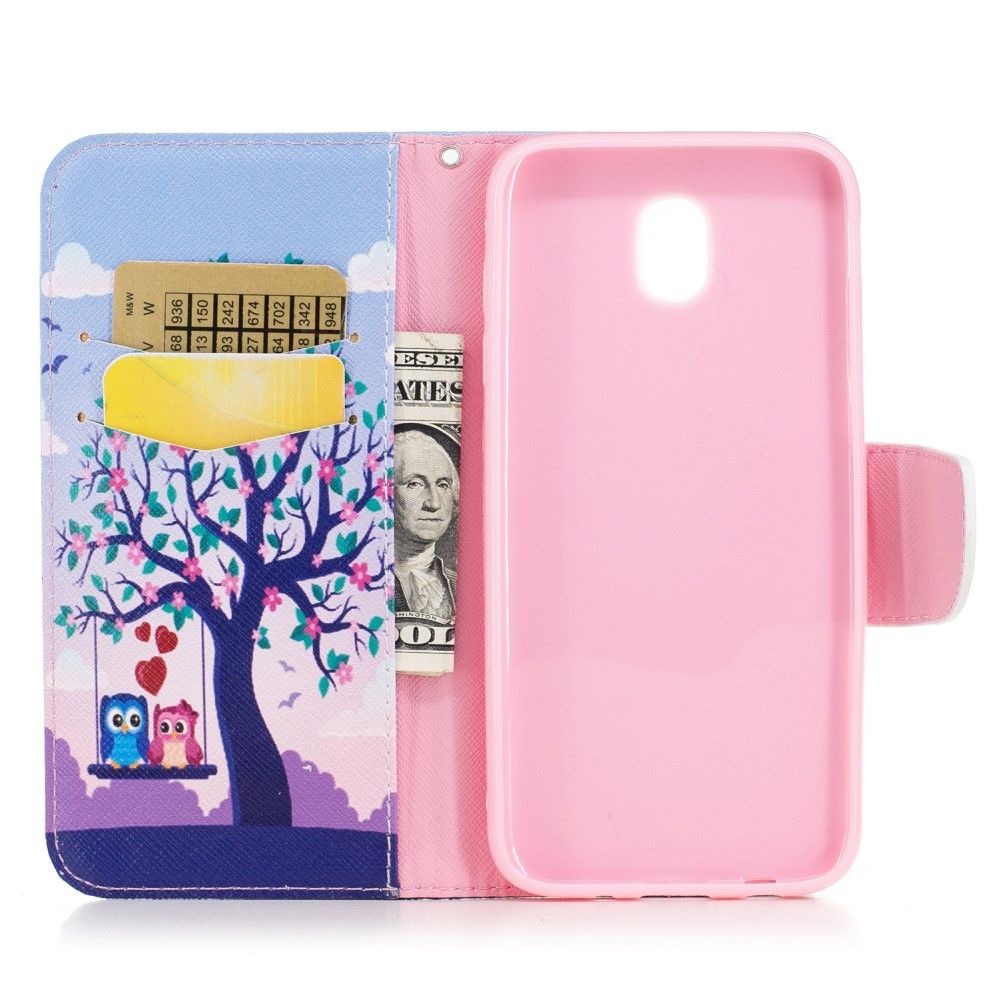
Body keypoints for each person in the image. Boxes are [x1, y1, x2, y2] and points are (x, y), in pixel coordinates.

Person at [393, 428, 459, 620]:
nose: (434, 504)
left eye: (443, 485)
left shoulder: (460, 584)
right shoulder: (361, 584)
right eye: (414, 484)